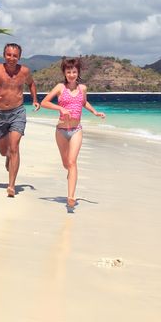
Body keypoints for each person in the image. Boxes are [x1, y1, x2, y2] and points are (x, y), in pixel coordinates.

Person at [39, 57, 105, 209]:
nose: (71, 74)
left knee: (72, 162)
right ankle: (70, 179)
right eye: (68, 72)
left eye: (74, 72)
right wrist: (60, 108)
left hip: (76, 130)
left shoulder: (83, 88)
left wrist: (95, 112)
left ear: (78, 72)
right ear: (64, 72)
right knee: (66, 164)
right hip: (61, 131)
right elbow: (44, 102)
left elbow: (83, 103)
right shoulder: (60, 87)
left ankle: (71, 197)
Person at [0, 43, 40, 197]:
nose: (12, 58)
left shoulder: (24, 71)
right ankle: (7, 157)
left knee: (14, 147)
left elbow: (31, 84)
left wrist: (35, 100)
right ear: (4, 55)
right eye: (9, 55)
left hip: (18, 112)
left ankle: (11, 186)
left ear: (19, 57)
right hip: (0, 114)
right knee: (3, 151)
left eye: (15, 55)